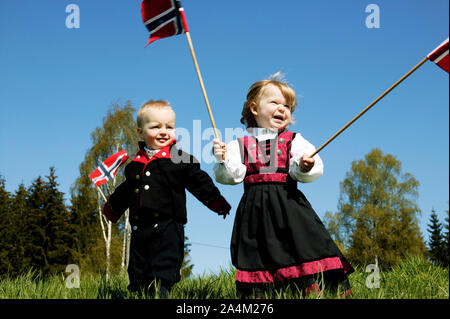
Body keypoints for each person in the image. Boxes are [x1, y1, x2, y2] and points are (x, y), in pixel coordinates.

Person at [213, 74, 353, 298]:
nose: (282, 109)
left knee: (303, 244)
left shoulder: (294, 140)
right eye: (275, 103)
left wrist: (305, 166)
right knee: (258, 251)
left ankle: (312, 287)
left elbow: (308, 166)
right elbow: (232, 175)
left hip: (288, 202)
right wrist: (222, 159)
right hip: (255, 209)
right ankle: (263, 294)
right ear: (254, 108)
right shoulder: (239, 144)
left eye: (287, 106)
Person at [103, 99, 231, 298]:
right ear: (140, 132)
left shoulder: (179, 159)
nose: (164, 131)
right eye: (155, 126)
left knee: (163, 268)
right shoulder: (134, 165)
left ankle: (162, 292)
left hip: (168, 226)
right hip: (139, 229)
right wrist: (112, 209)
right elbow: (126, 190)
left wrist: (216, 202)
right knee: (138, 271)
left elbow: (199, 181)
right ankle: (138, 291)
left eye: (169, 127)